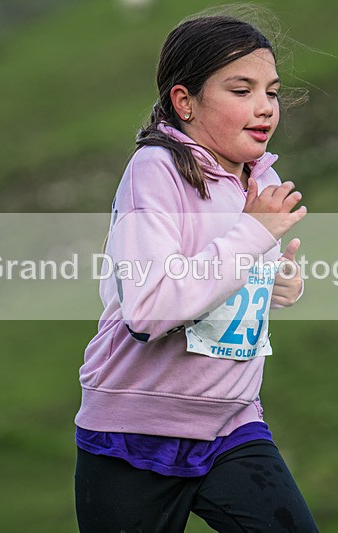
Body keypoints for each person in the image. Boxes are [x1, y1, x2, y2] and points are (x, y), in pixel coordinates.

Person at [73, 9, 319, 533]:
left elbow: (223, 276)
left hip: (232, 424)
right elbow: (149, 310)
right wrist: (253, 236)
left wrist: (276, 282)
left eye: (272, 92)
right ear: (185, 101)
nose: (264, 107)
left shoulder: (260, 179)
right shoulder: (154, 171)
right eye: (241, 90)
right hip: (134, 431)